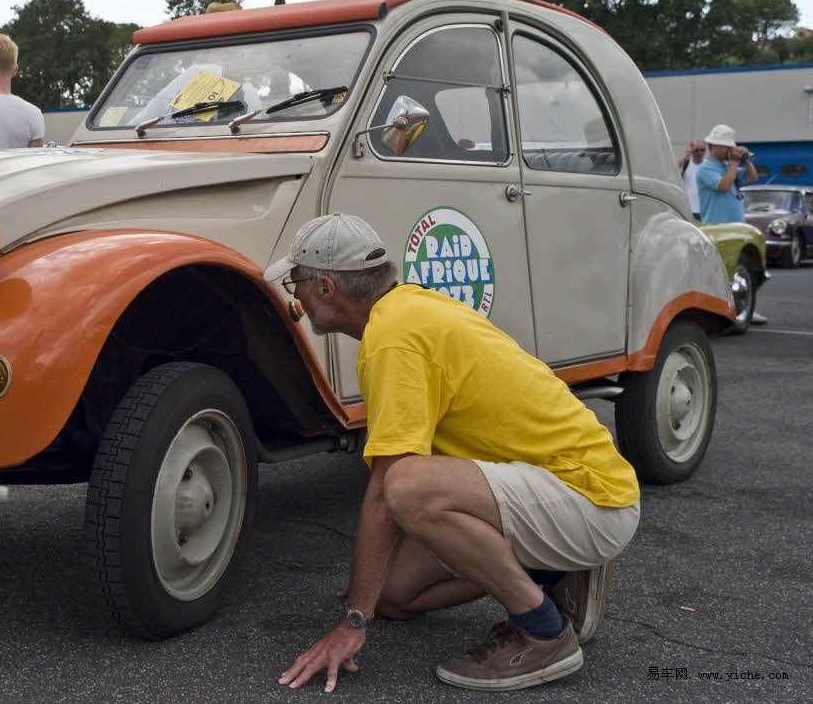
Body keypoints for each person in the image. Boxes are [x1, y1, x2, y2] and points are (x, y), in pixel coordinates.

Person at [269, 213, 641, 693]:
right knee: (397, 594)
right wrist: (371, 594)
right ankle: (550, 568)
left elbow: (389, 489)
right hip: (549, 486)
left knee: (407, 484)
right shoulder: (406, 311)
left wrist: (353, 623)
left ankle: (544, 632)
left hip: (590, 496)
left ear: (325, 287)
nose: (293, 294)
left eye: (295, 281)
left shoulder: (393, 338)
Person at [696, 123, 766, 325]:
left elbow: (752, 176)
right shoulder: (705, 169)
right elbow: (723, 186)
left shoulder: (727, 167)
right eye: (725, 147)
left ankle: (746, 308)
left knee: (743, 270)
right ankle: (722, 312)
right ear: (714, 146)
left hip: (737, 227)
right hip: (718, 228)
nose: (729, 151)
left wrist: (746, 160)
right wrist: (734, 163)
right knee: (721, 275)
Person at [678, 139, 706, 219]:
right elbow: (672, 171)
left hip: (705, 209)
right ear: (692, 150)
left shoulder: (708, 165)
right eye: (696, 150)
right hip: (689, 209)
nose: (700, 153)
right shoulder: (686, 164)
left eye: (702, 150)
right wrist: (685, 157)